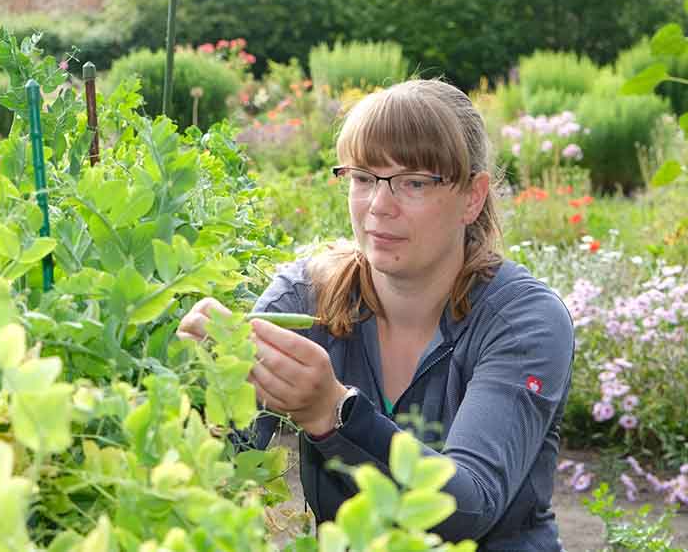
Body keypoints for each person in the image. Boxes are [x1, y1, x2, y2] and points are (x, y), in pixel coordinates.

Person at [176, 79, 574, 550]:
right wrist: (205, 384)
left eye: (414, 183)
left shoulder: (523, 322)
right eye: (363, 178)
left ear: (473, 196)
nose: (379, 207)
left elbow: (469, 508)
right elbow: (214, 469)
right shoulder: (305, 298)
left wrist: (334, 413)